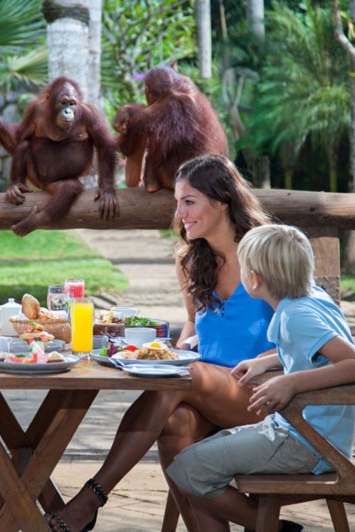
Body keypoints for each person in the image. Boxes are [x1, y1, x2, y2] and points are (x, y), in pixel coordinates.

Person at [47, 154, 276, 532]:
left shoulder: (265, 252)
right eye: (177, 203)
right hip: (207, 389)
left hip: (262, 393)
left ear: (221, 201)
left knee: (177, 379)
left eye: (189, 201)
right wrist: (183, 344)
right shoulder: (190, 259)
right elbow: (191, 322)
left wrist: (264, 362)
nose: (180, 213)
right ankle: (266, 527)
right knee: (175, 424)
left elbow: (307, 327)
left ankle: (91, 499)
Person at [167, 224, 355, 531]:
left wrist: (290, 382)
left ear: (254, 278)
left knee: (187, 470)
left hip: (308, 442)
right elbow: (315, 350)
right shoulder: (309, 301)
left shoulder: (297, 316)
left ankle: (274, 528)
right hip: (300, 431)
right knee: (193, 462)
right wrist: (264, 362)